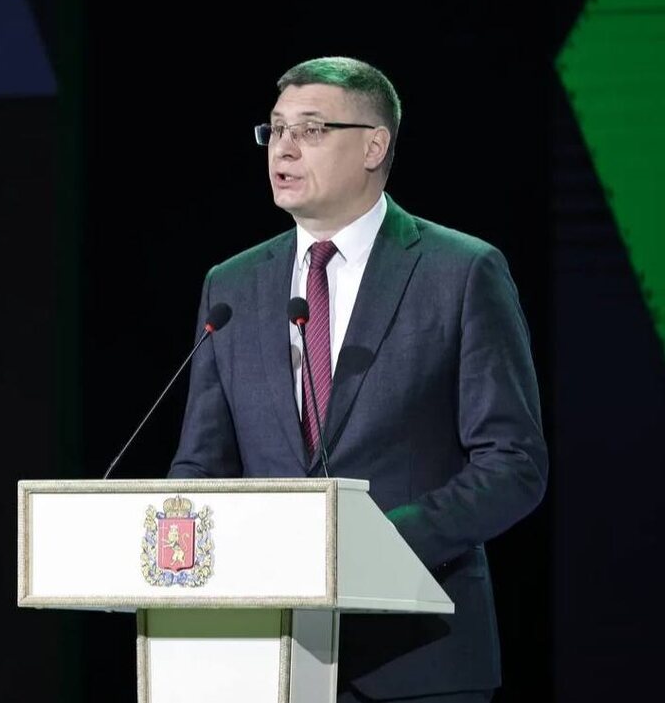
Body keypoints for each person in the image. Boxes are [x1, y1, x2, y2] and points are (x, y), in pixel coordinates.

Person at [167, 56, 547, 702]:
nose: (283, 148)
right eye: (275, 129)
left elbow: (514, 465)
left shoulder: (460, 273)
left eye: (311, 130)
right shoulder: (231, 286)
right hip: (264, 662)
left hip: (419, 659)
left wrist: (374, 544)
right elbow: (200, 467)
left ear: (374, 146)